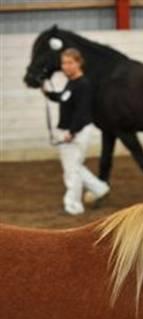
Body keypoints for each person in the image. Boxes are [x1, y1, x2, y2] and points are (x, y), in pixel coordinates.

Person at [43, 48, 109, 215]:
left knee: (71, 170)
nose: (66, 66)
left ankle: (73, 206)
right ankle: (100, 188)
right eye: (64, 63)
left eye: (70, 62)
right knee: (75, 166)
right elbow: (64, 97)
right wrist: (49, 93)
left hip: (76, 132)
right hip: (70, 130)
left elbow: (82, 111)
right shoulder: (71, 83)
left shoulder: (83, 84)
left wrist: (71, 132)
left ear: (79, 63)